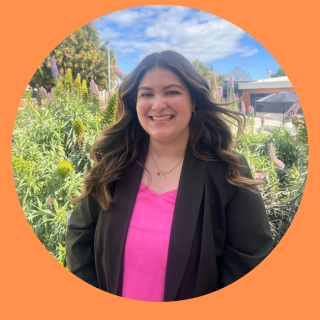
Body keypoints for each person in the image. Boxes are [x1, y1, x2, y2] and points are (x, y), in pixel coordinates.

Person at [66, 50, 274, 302]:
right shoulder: (113, 163)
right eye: (146, 94)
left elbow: (249, 263)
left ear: (194, 100)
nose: (158, 104)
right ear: (135, 102)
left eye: (172, 92)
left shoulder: (227, 171)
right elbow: (80, 238)